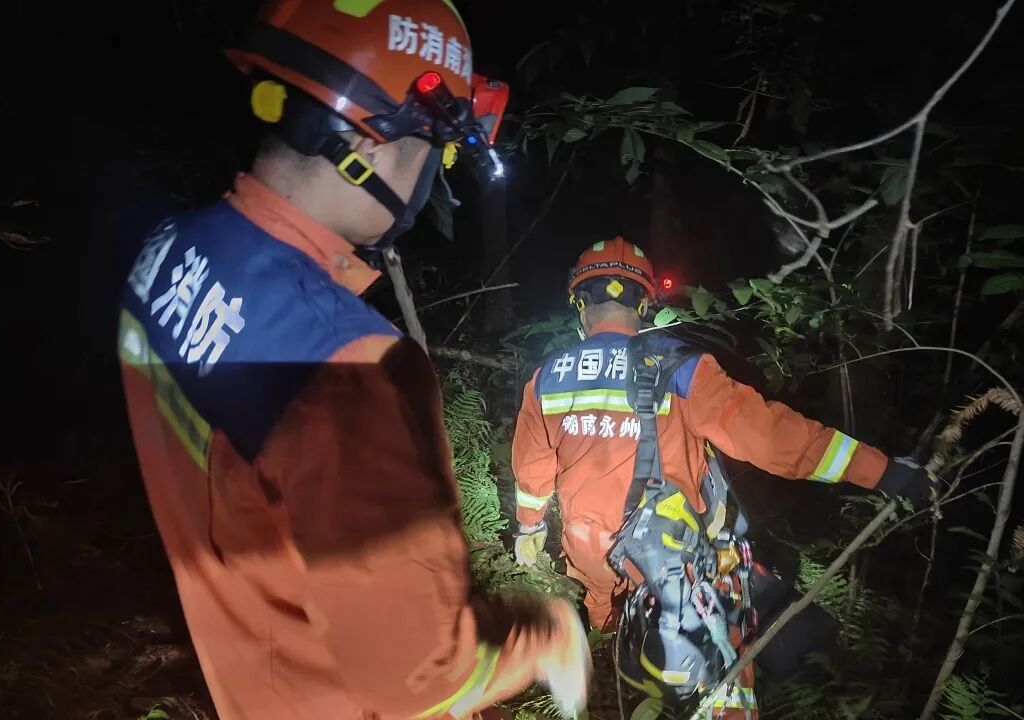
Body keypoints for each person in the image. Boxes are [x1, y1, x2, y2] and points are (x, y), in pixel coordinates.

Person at [117, 3, 589, 719]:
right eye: (436, 152)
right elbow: (418, 678)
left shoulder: (169, 250)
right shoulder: (352, 370)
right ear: (370, 143)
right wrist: (544, 635)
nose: (431, 177)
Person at [510, 236, 933, 717]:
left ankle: (626, 680)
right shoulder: (680, 368)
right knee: (721, 674)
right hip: (677, 566)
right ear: (643, 304)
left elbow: (532, 470)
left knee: (627, 648)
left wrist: (529, 527)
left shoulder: (546, 379)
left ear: (580, 305)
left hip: (595, 560)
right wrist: (882, 471)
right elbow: (773, 438)